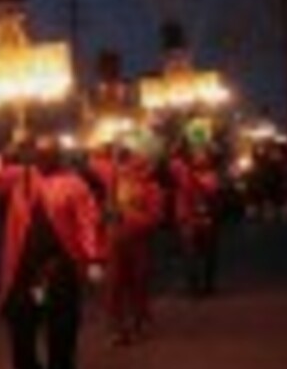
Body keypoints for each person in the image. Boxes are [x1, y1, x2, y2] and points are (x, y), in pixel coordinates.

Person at [0, 135, 103, 369]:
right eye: (39, 152)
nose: (44, 158)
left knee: (61, 337)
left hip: (59, 271)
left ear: (59, 156)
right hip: (21, 273)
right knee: (20, 338)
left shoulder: (74, 184)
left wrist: (94, 257)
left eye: (50, 153)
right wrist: (6, 149)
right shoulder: (19, 177)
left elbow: (88, 222)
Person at [87, 144, 163, 344]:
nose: (129, 166)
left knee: (138, 284)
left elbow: (154, 218)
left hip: (138, 243)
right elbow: (94, 163)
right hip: (114, 241)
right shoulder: (114, 176)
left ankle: (138, 321)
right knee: (113, 286)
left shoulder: (151, 187)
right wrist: (102, 145)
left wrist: (126, 216)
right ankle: (117, 327)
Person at [170, 143, 223, 297]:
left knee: (208, 253)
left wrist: (211, 214)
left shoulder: (212, 176)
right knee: (190, 254)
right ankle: (193, 286)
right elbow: (173, 168)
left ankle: (207, 284)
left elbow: (215, 196)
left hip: (206, 219)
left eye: (203, 155)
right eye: (197, 155)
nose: (200, 158)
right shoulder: (184, 173)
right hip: (189, 219)